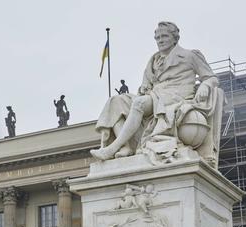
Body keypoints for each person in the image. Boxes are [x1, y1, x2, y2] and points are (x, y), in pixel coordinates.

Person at [90, 21, 220, 162]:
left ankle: (112, 148)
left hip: (175, 96)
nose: (160, 40)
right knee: (116, 101)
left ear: (175, 38)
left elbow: (211, 78)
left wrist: (205, 86)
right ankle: (126, 146)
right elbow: (145, 85)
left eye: (164, 36)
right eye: (157, 38)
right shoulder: (153, 60)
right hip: (155, 96)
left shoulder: (190, 55)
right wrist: (143, 88)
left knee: (139, 103)